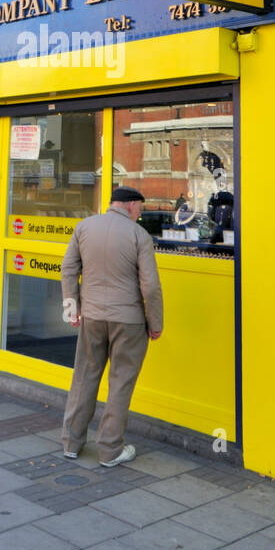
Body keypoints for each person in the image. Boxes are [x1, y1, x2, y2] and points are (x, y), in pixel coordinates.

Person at [60, 186, 164, 467]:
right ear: (131, 206)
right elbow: (150, 286)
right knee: (120, 383)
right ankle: (109, 450)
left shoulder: (84, 227)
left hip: (92, 317)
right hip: (128, 321)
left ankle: (71, 443)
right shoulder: (138, 235)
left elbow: (68, 268)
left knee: (84, 377)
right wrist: (156, 323)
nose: (140, 214)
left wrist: (72, 308)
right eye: (140, 208)